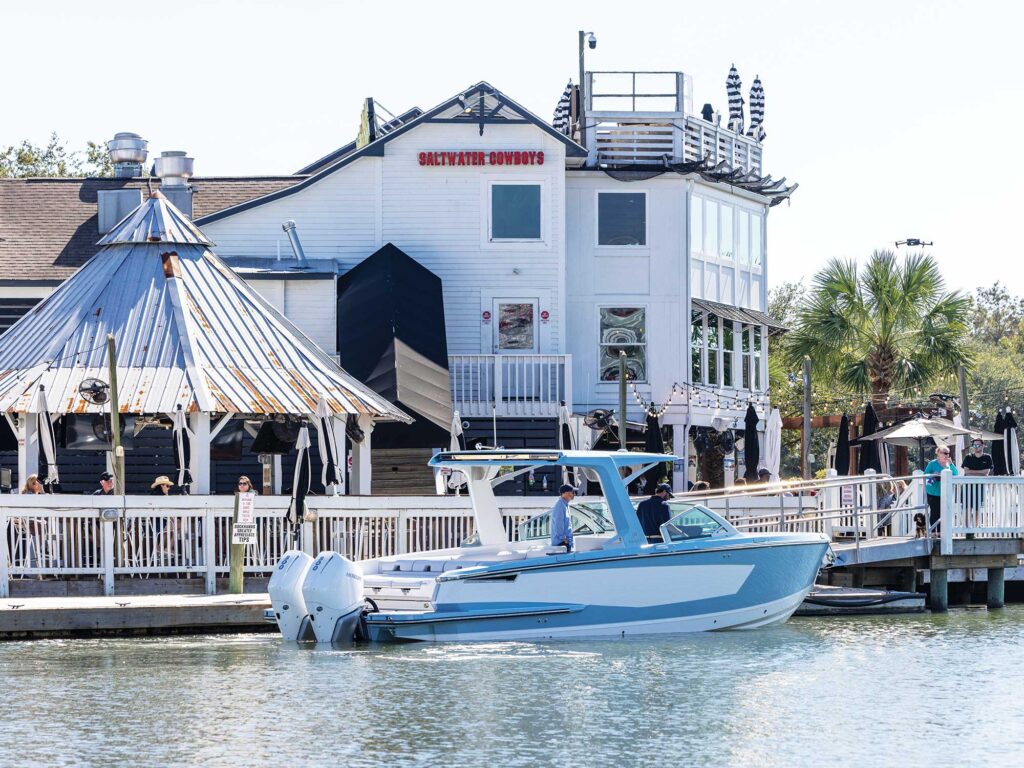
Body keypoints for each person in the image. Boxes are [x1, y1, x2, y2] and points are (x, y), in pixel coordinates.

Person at [960, 439, 992, 538]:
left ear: (983, 446)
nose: (976, 447)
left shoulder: (987, 457)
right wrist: (980, 472)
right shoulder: (968, 457)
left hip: (980, 486)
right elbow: (966, 471)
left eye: (978, 445)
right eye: (974, 445)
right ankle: (967, 530)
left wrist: (972, 471)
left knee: (977, 508)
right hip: (967, 486)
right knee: (967, 508)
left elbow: (986, 472)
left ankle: (974, 529)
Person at [923, 446, 959, 536]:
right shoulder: (932, 463)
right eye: (945, 453)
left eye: (948, 453)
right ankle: (934, 532)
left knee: (944, 513)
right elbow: (925, 474)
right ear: (938, 453)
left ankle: (941, 532)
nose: (947, 455)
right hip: (933, 492)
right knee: (935, 512)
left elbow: (955, 474)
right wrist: (933, 474)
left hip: (945, 493)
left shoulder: (949, 464)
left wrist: (951, 464)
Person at [549, 483, 576, 553]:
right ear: (566, 493)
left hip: (564, 543)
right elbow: (558, 525)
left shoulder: (565, 505)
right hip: (561, 544)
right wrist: (564, 539)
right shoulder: (560, 506)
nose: (574, 494)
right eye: (573, 492)